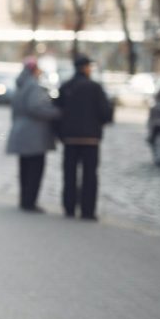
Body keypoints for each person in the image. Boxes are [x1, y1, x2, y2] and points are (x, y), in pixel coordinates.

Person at [55, 55, 113, 220]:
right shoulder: (95, 87)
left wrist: (61, 133)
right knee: (90, 176)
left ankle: (69, 207)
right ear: (86, 68)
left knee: (69, 174)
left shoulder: (66, 86)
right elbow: (106, 113)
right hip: (91, 139)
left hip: (70, 139)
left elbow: (57, 112)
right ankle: (87, 210)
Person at [6, 57, 61, 212]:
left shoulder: (21, 85)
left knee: (24, 168)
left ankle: (25, 199)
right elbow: (35, 107)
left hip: (21, 131)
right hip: (34, 135)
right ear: (34, 70)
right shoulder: (34, 86)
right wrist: (56, 112)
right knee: (35, 170)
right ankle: (30, 202)